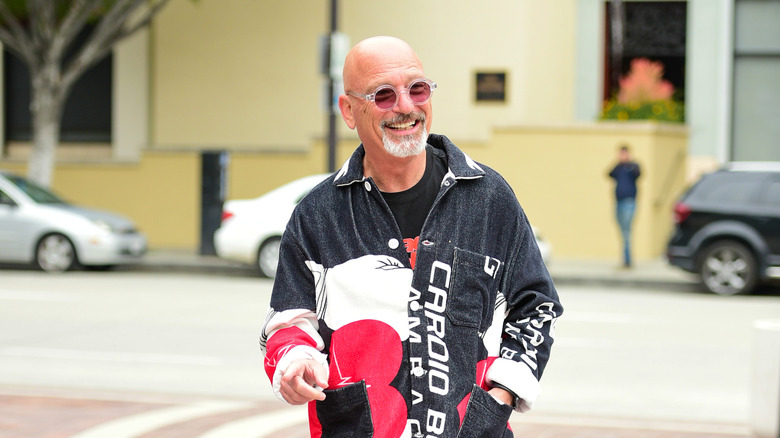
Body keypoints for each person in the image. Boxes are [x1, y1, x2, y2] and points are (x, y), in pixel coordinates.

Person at [260, 36, 562, 437]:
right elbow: (288, 321)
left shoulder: (489, 197)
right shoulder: (317, 215)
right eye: (384, 95)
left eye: (417, 88)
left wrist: (502, 396)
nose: (405, 106)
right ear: (349, 110)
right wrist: (295, 360)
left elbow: (537, 307)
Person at [608, 145, 641, 268]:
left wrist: (628, 163)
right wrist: (619, 163)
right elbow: (609, 174)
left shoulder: (633, 166)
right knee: (622, 231)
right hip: (618, 202)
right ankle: (625, 257)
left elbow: (638, 173)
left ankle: (627, 260)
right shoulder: (618, 168)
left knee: (626, 231)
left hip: (629, 203)